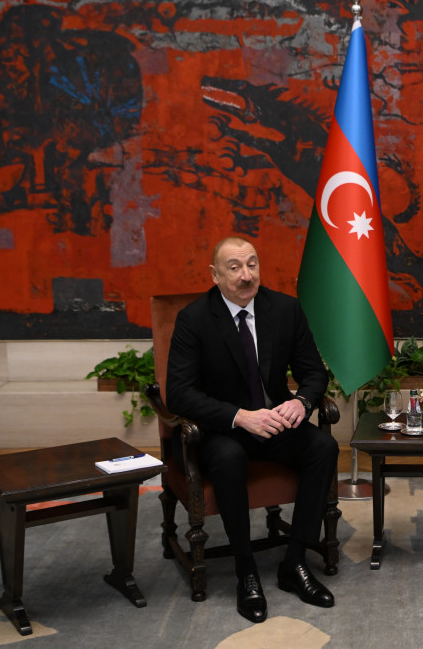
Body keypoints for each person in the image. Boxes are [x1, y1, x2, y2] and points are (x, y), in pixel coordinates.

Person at [166, 236, 338, 623]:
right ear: (215, 275)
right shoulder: (194, 319)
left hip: (274, 421)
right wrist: (240, 416)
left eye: (252, 264)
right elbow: (178, 393)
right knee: (229, 457)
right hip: (221, 428)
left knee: (323, 448)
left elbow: (313, 372)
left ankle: (294, 563)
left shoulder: (285, 309)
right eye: (235, 267)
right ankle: (246, 572)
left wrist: (301, 402)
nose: (246, 275)